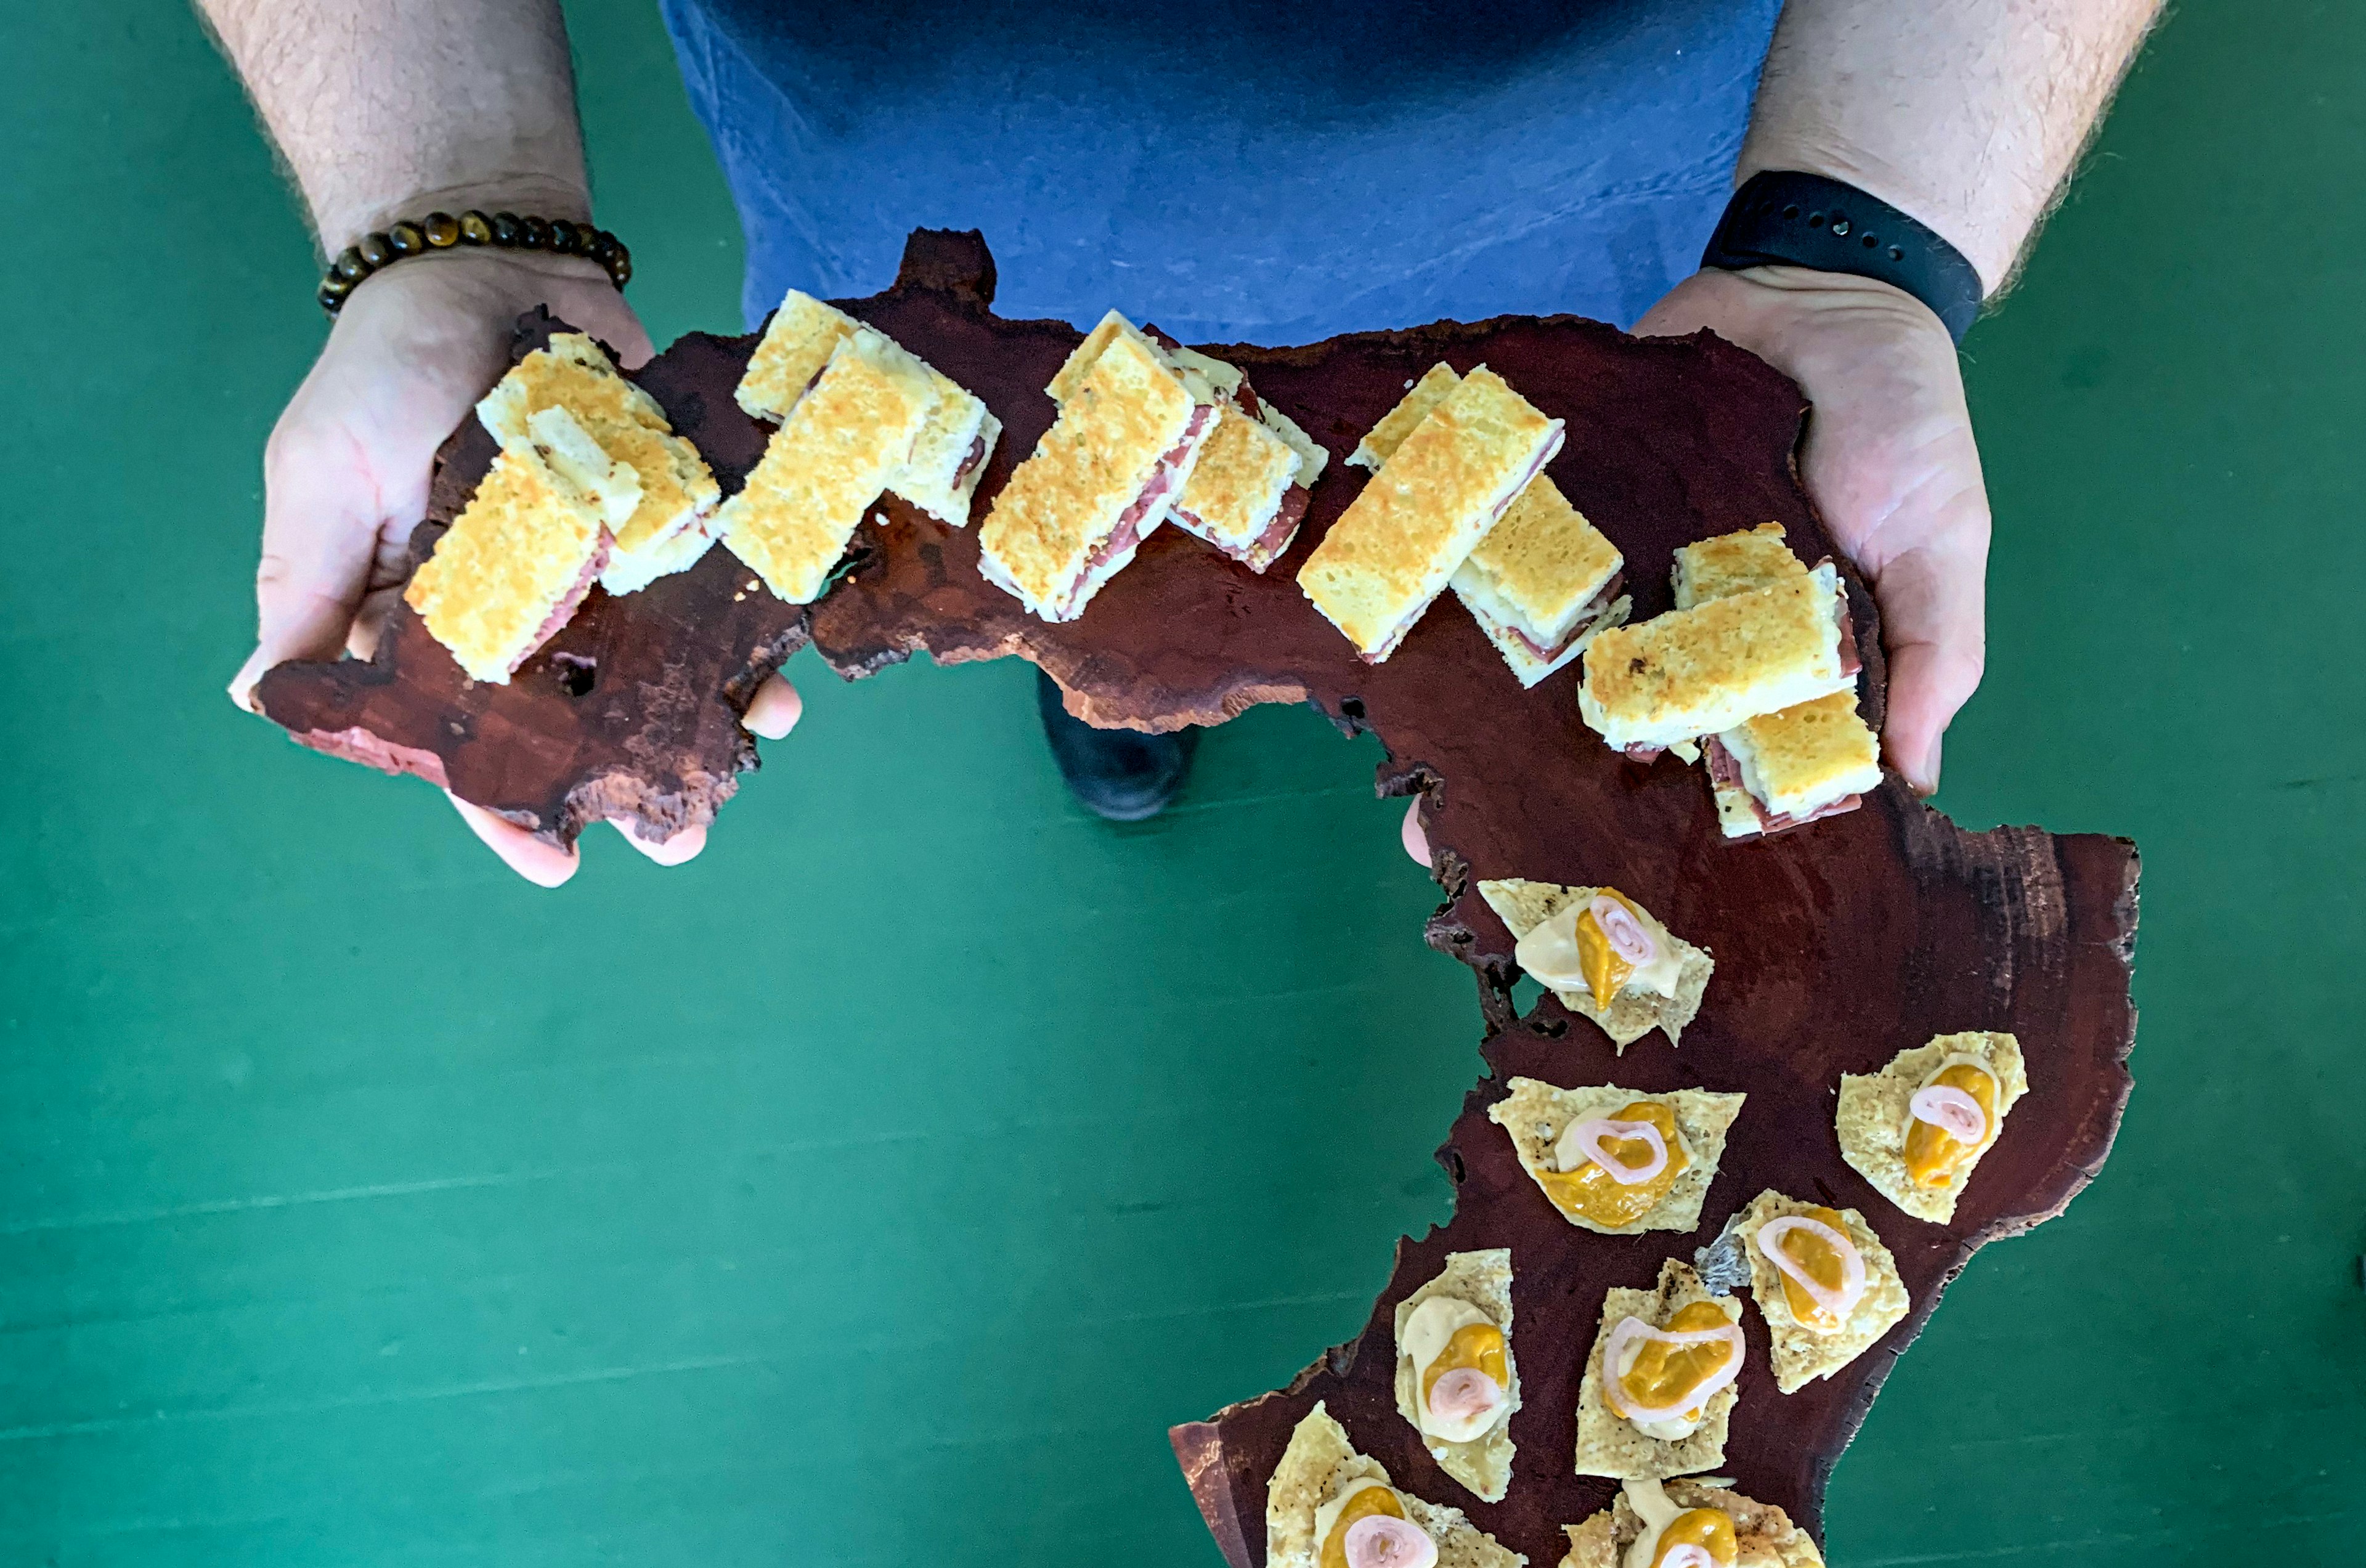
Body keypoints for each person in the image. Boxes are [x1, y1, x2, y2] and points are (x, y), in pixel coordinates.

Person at [202, 0, 2161, 887]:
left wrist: (1860, 234)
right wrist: (455, 204)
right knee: (1038, 577)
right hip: (900, 215)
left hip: (1635, 200)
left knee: (1519, 599)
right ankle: (1123, 686)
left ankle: (1318, 685)